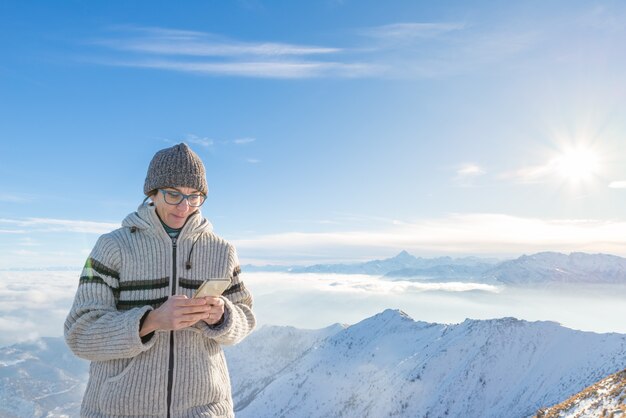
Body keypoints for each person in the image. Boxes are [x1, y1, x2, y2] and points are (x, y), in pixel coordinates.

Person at [64, 143, 256, 418]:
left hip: (205, 411)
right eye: (173, 194)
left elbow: (246, 318)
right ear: (152, 193)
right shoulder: (111, 247)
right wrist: (151, 321)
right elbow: (79, 334)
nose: (184, 206)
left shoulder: (222, 251)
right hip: (119, 411)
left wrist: (223, 316)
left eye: (194, 196)